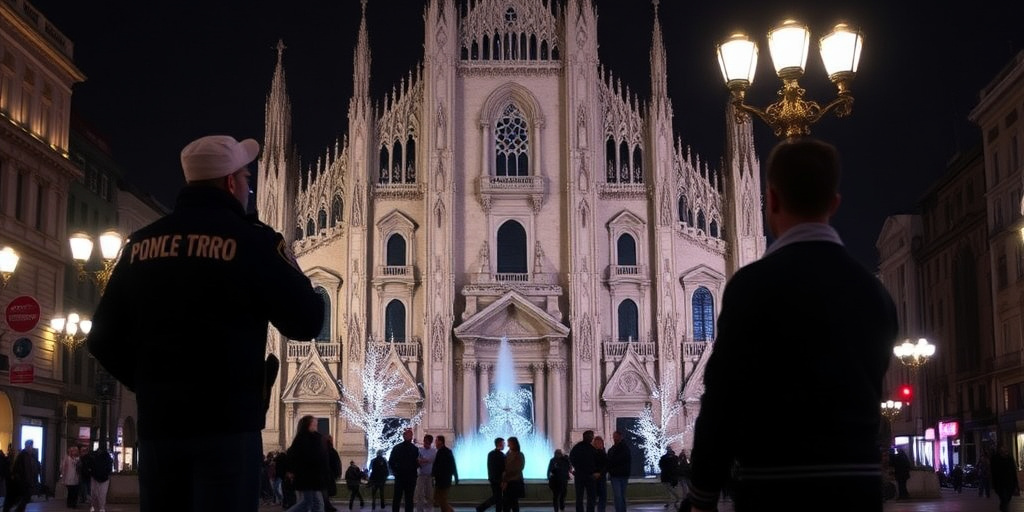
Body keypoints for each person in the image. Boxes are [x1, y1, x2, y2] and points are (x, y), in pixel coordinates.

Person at [86, 134, 325, 512]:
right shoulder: (252, 242)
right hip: (228, 429)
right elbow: (307, 321)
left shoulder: (140, 245)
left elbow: (100, 338)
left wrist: (153, 384)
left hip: (160, 431)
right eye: (247, 178)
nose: (249, 187)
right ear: (231, 182)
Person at [682, 137, 899, 512]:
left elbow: (723, 401)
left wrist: (703, 494)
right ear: (834, 203)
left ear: (772, 201)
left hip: (775, 492)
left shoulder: (751, 287)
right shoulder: (873, 293)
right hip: (856, 493)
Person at [284, 415, 330, 512]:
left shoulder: (308, 438)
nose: (316, 424)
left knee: (312, 502)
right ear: (309, 424)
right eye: (314, 422)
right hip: (309, 476)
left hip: (311, 476)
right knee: (311, 502)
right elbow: (300, 457)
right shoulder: (306, 439)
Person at [5, 440, 40, 512]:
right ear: (27, 446)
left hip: (29, 482)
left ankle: (16, 509)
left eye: (31, 446)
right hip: (23, 482)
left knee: (25, 498)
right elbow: (17, 469)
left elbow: (36, 467)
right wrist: (19, 479)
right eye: (30, 446)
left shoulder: (32, 456)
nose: (31, 447)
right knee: (21, 498)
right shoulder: (22, 455)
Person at [389, 429, 419, 512]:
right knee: (408, 499)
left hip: (400, 477)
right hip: (410, 477)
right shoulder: (415, 449)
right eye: (410, 435)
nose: (411, 437)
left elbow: (391, 462)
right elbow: (417, 463)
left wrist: (395, 472)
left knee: (397, 498)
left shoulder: (397, 448)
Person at [569, 430, 597, 512]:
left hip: (579, 475)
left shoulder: (577, 447)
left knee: (579, 497)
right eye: (591, 436)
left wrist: (577, 467)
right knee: (591, 496)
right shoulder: (592, 449)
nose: (592, 438)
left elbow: (571, 458)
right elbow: (596, 461)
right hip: (589, 475)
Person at [475, 437, 506, 512]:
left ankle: (481, 508)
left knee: (498, 498)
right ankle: (481, 508)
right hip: (498, 480)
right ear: (499, 444)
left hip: (493, 479)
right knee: (497, 497)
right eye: (503, 443)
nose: (504, 445)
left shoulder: (491, 454)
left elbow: (491, 467)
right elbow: (500, 468)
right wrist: (502, 480)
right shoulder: (500, 455)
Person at [431, 436, 458, 512]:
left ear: (440, 442)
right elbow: (452, 464)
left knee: (442, 499)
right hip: (443, 480)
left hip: (443, 480)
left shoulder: (443, 452)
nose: (435, 442)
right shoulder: (444, 451)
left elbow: (449, 465)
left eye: (436, 440)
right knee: (440, 499)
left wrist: (433, 475)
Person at [605, 431, 631, 512]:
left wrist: (611, 466)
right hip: (617, 475)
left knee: (620, 496)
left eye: (616, 436)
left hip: (620, 474)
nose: (614, 438)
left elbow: (614, 460)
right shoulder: (615, 449)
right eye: (614, 436)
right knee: (619, 495)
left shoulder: (623, 448)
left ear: (620, 437)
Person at [990, 444, 1020, 512]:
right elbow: (993, 472)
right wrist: (994, 484)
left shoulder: (1010, 459)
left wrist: (1016, 484)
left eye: (1006, 449)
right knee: (1004, 498)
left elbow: (1013, 472)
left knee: (1007, 499)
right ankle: (1004, 509)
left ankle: (1003, 507)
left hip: (1010, 483)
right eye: (1003, 449)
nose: (1005, 451)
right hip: (1000, 483)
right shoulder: (995, 459)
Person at [501, 437, 525, 512]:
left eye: (509, 443)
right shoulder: (508, 454)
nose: (507, 445)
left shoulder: (519, 455)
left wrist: (506, 477)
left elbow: (518, 468)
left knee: (512, 502)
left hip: (514, 482)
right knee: (508, 503)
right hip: (508, 481)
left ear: (514, 444)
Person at [413, 435, 436, 512]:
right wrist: (422, 460)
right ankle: (420, 510)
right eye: (424, 440)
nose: (424, 442)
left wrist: (422, 460)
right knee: (419, 493)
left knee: (429, 494)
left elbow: (429, 460)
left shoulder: (433, 451)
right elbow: (418, 461)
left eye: (426, 441)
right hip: (421, 475)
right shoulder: (420, 450)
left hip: (429, 475)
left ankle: (429, 509)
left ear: (430, 442)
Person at [88, 447, 113, 512]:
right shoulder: (107, 457)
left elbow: (91, 466)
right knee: (102, 494)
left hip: (96, 477)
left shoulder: (94, 456)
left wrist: (91, 472)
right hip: (104, 478)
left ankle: (94, 506)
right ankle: (101, 507)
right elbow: (109, 467)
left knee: (95, 493)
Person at [325, 438, 343, 512]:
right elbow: (337, 463)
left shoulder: (325, 450)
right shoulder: (332, 451)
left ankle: (327, 505)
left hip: (327, 474)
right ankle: (327, 505)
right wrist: (337, 473)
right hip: (329, 474)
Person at [592, 436, 608, 512]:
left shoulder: (604, 454)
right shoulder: (591, 453)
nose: (598, 444)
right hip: (593, 477)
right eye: (596, 443)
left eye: (599, 443)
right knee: (593, 496)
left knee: (602, 496)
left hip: (601, 477)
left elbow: (606, 465)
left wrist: (600, 473)